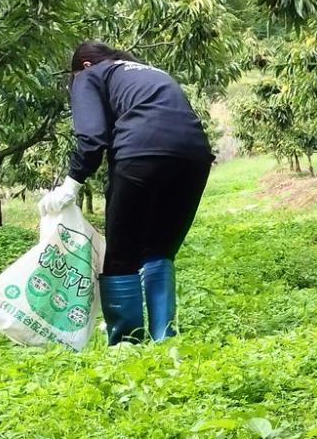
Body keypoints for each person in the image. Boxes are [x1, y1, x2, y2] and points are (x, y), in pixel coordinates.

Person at [40, 41, 213, 344]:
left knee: (121, 253)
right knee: (159, 249)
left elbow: (92, 138)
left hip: (141, 153)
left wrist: (71, 184)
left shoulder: (88, 77)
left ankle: (126, 343)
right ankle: (165, 338)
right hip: (194, 158)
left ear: (84, 66)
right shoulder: (150, 72)